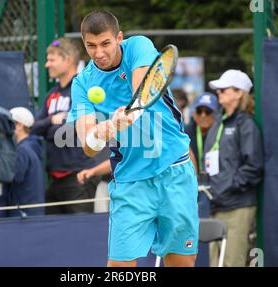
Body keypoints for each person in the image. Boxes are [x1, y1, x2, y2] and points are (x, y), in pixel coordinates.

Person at [66, 10, 199, 267]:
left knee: (180, 262)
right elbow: (88, 147)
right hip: (129, 181)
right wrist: (105, 129)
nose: (99, 53)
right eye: (91, 46)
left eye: (105, 43)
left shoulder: (139, 46)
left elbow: (142, 95)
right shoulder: (81, 83)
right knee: (119, 267)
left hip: (174, 170)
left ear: (119, 37)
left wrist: (128, 114)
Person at [31, 37, 100, 215]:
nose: (47, 65)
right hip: (54, 177)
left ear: (68, 60)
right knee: (54, 238)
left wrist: (52, 127)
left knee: (81, 236)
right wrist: (52, 120)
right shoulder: (51, 94)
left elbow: (69, 132)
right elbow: (34, 127)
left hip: (79, 176)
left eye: (52, 59)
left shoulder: (84, 90)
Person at [205, 69, 264, 267]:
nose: (219, 92)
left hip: (237, 206)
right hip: (217, 205)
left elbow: (253, 166)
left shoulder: (246, 125)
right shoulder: (217, 123)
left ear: (240, 93)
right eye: (218, 89)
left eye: (224, 89)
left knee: (232, 264)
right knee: (215, 264)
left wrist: (229, 188)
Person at [3, 107, 44, 217]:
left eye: (9, 123)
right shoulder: (30, 146)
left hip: (23, 213)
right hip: (30, 212)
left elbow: (16, 177)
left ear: (19, 125)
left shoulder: (22, 150)